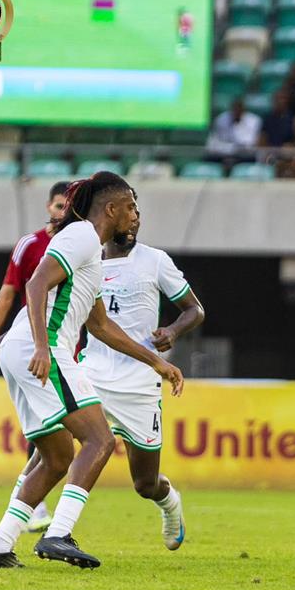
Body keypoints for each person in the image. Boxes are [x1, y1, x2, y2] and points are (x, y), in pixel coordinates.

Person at [0, 172, 184, 569]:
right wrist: (41, 346)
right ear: (111, 209)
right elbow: (35, 286)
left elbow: (101, 326)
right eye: (130, 207)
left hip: (25, 351)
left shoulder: (91, 253)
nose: (134, 216)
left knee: (55, 457)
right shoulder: (83, 236)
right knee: (99, 441)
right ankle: (57, 535)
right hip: (43, 350)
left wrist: (158, 362)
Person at [79, 215, 204, 548]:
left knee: (145, 484)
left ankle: (170, 503)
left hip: (139, 382)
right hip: (91, 373)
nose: (133, 222)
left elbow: (195, 310)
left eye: (137, 214)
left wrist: (173, 331)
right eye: (126, 213)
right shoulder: (85, 262)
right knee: (53, 448)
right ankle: (37, 527)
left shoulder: (155, 260)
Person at [0, 180, 72, 533]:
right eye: (59, 206)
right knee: (56, 432)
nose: (64, 213)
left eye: (69, 207)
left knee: (62, 432)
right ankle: (36, 508)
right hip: (32, 350)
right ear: (49, 207)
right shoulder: (31, 245)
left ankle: (28, 503)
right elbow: (7, 295)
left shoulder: (82, 247)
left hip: (69, 350)